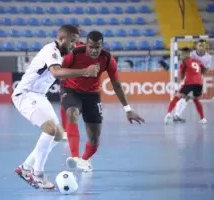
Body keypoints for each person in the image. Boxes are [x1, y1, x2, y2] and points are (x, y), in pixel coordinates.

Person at [12, 25, 100, 189]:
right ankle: (37, 174)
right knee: (50, 130)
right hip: (25, 94)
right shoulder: (50, 50)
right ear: (61, 39)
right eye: (72, 41)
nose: (74, 44)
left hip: (39, 96)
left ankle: (25, 167)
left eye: (76, 41)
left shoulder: (65, 52)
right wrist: (85, 71)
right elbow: (57, 73)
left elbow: (78, 55)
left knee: (59, 134)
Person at [60, 31, 145, 172]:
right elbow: (59, 71)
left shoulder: (107, 59)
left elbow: (116, 84)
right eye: (91, 47)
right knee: (72, 113)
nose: (94, 50)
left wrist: (128, 109)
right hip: (71, 90)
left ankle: (85, 160)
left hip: (92, 95)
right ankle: (74, 157)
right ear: (86, 44)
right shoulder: (74, 54)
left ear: (102, 46)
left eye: (97, 47)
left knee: (94, 139)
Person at [164, 47, 207, 124]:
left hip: (189, 82)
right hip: (199, 83)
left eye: (183, 53)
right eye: (181, 53)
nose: (181, 55)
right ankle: (203, 119)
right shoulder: (197, 61)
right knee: (195, 100)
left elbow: (181, 75)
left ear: (188, 53)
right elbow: (204, 70)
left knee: (177, 97)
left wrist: (180, 80)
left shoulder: (185, 61)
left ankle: (168, 114)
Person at [173, 40, 211, 123]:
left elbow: (206, 70)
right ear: (196, 46)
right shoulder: (192, 54)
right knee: (185, 97)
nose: (201, 46)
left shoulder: (209, 57)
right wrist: (182, 75)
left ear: (205, 47)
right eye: (200, 45)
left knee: (193, 99)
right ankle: (176, 115)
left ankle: (201, 118)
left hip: (197, 79)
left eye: (203, 45)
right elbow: (185, 61)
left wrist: (199, 72)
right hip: (189, 78)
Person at [60, 25, 84, 141]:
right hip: (66, 82)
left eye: (78, 33)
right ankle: (65, 130)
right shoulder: (63, 47)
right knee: (64, 105)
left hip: (80, 83)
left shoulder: (84, 47)